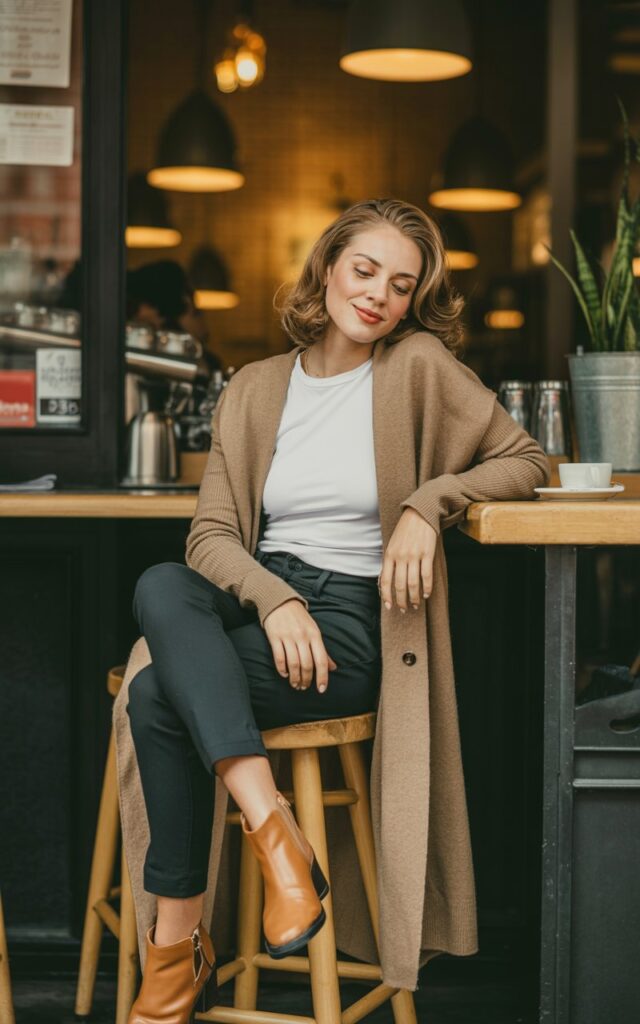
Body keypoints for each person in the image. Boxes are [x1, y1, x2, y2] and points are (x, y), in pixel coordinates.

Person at [121, 198, 550, 1022]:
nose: (378, 296)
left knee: (152, 694)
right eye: (364, 271)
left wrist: (431, 503)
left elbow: (525, 457)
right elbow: (210, 538)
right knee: (160, 583)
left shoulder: (417, 366)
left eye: (400, 284)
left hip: (354, 625)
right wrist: (276, 601)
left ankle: (175, 955)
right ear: (326, 267)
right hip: (264, 606)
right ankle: (275, 831)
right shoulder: (253, 388)